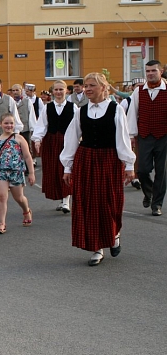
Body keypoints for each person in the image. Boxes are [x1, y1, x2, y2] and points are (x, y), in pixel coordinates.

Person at [60, 72, 136, 266]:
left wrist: (129, 164)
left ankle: (114, 233)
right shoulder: (81, 111)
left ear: (104, 87)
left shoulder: (115, 109)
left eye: (92, 85)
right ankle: (97, 247)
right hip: (86, 159)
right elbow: (71, 139)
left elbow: (123, 138)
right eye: (86, 85)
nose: (87, 89)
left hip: (109, 159)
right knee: (88, 203)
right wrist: (68, 167)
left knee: (109, 201)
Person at [126, 60, 167, 216]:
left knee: (162, 172)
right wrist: (132, 135)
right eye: (148, 71)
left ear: (161, 71)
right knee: (142, 170)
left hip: (164, 136)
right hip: (144, 135)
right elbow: (132, 113)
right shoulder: (139, 91)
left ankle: (156, 204)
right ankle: (148, 192)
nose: (150, 74)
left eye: (153, 71)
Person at [33, 80, 76, 213]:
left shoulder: (73, 107)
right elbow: (42, 125)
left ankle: (66, 201)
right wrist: (38, 139)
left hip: (67, 141)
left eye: (60, 89)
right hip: (51, 142)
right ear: (53, 92)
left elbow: (77, 126)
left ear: (66, 91)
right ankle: (61, 197)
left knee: (66, 169)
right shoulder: (48, 107)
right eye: (56, 90)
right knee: (54, 171)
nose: (58, 92)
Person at [0, 113, 35, 234]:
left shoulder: (19, 138)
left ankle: (26, 210)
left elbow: (27, 156)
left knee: (19, 197)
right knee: (1, 196)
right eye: (6, 123)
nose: (9, 126)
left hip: (16, 172)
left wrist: (31, 173)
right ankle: (2, 223)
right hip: (1, 172)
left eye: (11, 123)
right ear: (0, 124)